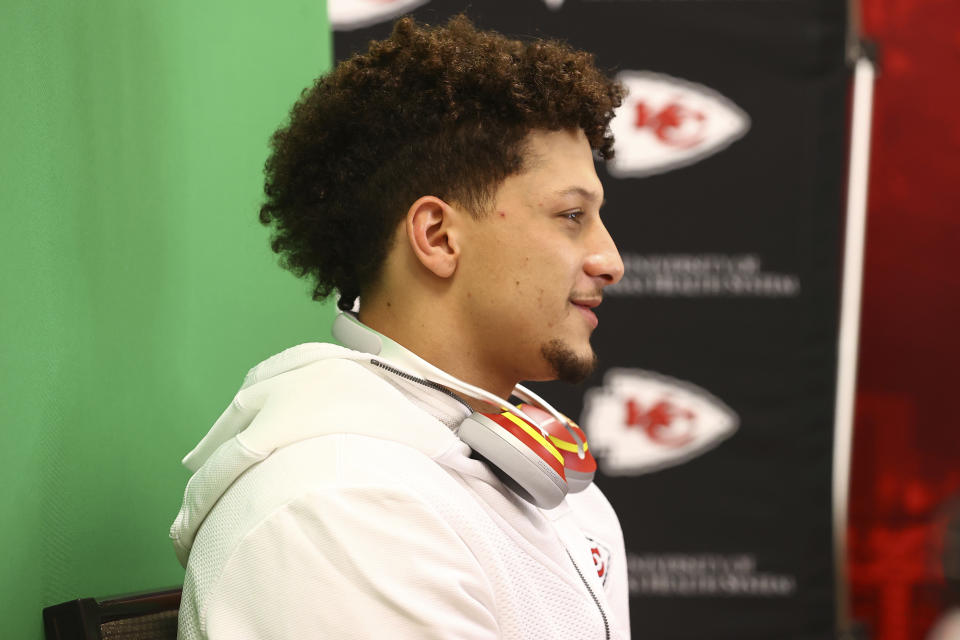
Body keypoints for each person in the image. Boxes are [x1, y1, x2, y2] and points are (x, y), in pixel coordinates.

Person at [170, 15, 629, 639]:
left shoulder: (554, 490)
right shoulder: (341, 510)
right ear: (438, 237)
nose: (611, 261)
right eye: (571, 215)